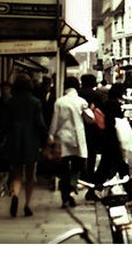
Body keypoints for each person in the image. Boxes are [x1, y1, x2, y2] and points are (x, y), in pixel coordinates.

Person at [90, 83, 132, 202]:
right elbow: (112, 123)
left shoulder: (109, 102)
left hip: (109, 141)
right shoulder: (113, 104)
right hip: (113, 141)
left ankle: (92, 191)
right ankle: (130, 193)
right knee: (121, 167)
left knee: (106, 168)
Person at [5, 73, 47, 218]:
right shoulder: (35, 102)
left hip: (15, 140)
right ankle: (27, 205)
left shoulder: (10, 102)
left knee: (17, 174)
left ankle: (15, 195)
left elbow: (6, 124)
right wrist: (45, 139)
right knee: (30, 175)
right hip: (30, 141)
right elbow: (40, 124)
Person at [48, 76, 89, 209]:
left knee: (64, 168)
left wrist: (51, 135)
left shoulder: (59, 102)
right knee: (78, 166)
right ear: (77, 86)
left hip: (63, 138)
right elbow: (91, 119)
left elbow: (55, 120)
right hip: (77, 138)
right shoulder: (82, 102)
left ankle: (65, 197)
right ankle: (72, 186)